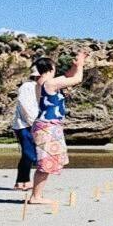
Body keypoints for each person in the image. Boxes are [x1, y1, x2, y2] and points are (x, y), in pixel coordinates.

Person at [28, 51, 88, 205]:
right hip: (47, 126)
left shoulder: (43, 83)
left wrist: (74, 66)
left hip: (47, 126)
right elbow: (77, 79)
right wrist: (80, 64)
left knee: (47, 162)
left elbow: (68, 76)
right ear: (50, 68)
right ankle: (36, 197)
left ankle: (37, 195)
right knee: (45, 163)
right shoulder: (50, 84)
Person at [10, 65, 40, 190]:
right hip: (24, 125)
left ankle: (22, 181)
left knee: (27, 154)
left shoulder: (38, 87)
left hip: (30, 123)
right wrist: (33, 122)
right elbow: (24, 105)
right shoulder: (27, 86)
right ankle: (23, 181)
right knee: (29, 154)